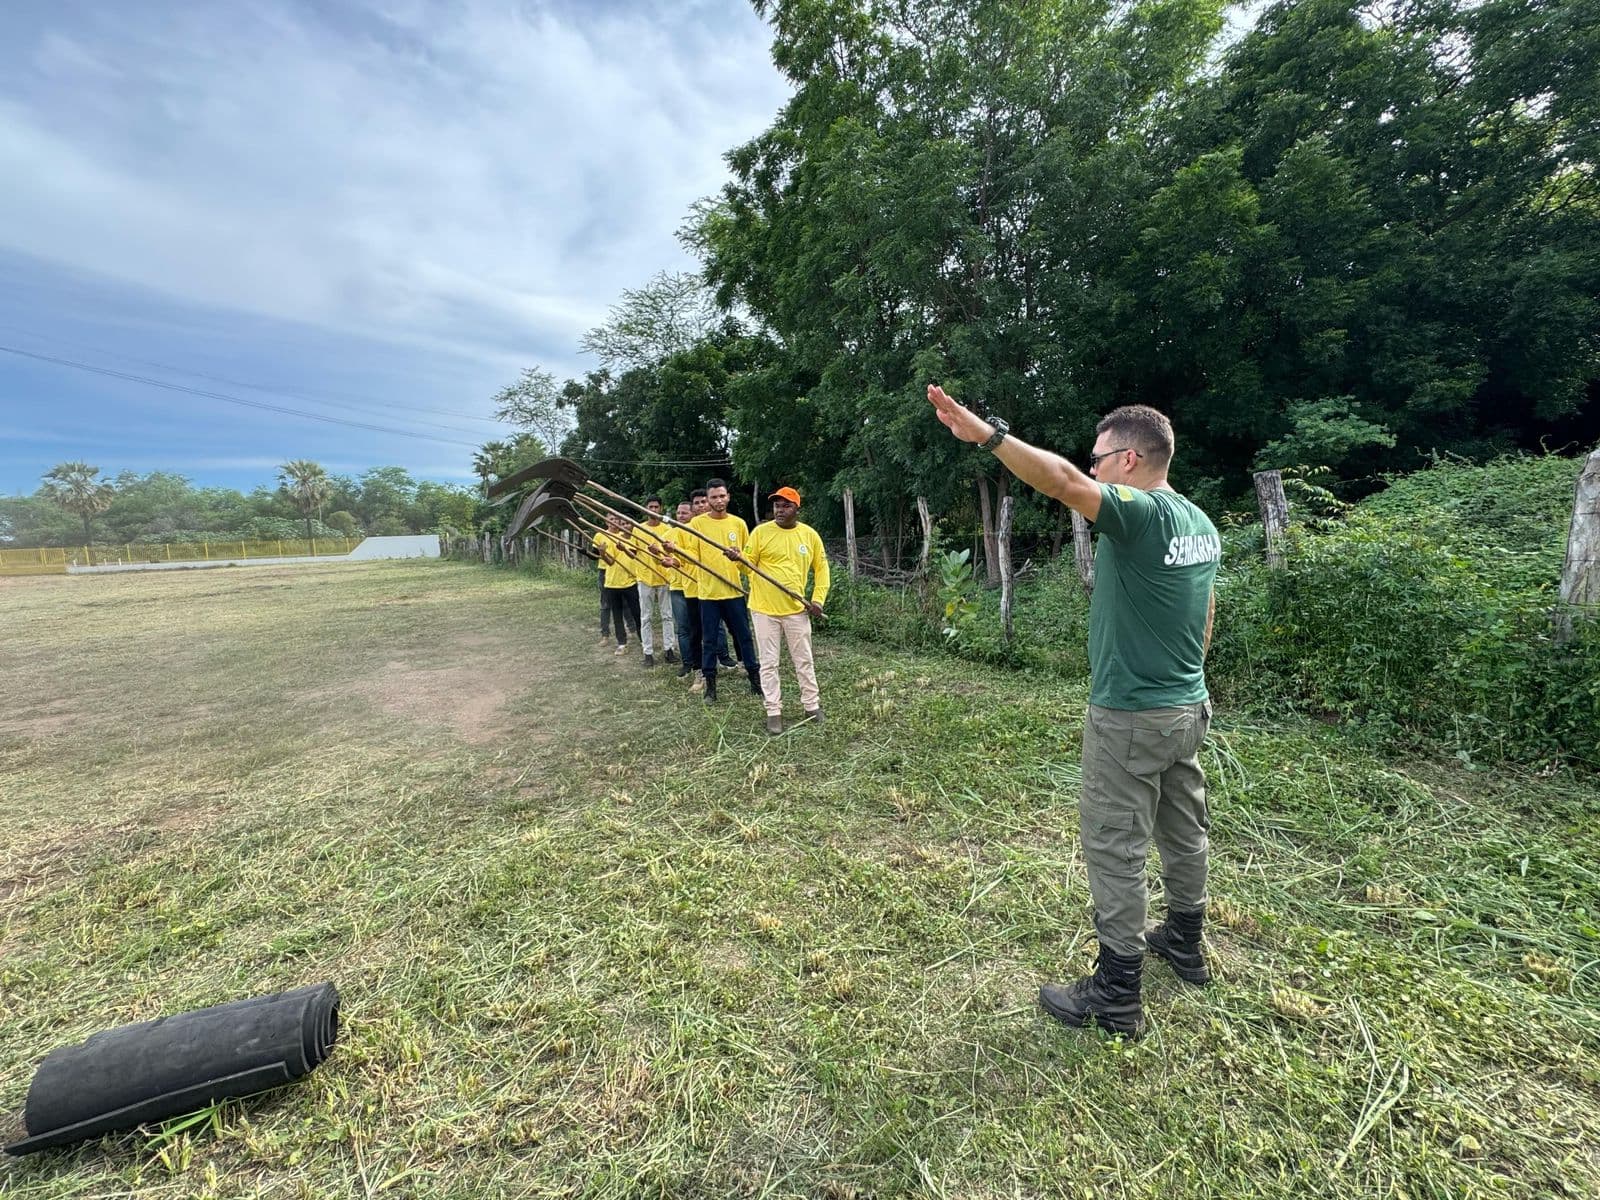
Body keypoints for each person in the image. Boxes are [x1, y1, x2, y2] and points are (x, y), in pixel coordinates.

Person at [928, 386, 1220, 1039]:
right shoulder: (1201, 524)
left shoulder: (1141, 515)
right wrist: (1188, 680)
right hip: (1186, 706)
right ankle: (1184, 940)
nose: (1091, 468)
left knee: (1114, 847)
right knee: (1184, 828)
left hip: (1132, 715)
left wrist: (989, 436)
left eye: (1099, 458)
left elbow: (1059, 481)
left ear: (1130, 461)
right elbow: (1204, 617)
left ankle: (1116, 995)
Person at [732, 486, 830, 735]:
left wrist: (817, 600)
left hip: (796, 610)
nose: (780, 509)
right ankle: (773, 711)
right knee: (768, 663)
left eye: (786, 505)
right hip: (764, 610)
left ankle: (811, 705)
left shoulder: (809, 536)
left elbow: (822, 570)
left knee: (804, 660)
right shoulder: (761, 533)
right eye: (777, 505)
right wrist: (739, 559)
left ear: (797, 508)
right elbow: (748, 568)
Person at [686, 478, 762, 704]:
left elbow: (748, 558)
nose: (718, 500)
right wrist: (675, 555)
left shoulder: (738, 524)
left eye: (722, 496)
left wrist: (740, 558)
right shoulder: (697, 525)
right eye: (713, 497)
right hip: (708, 594)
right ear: (707, 500)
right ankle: (710, 687)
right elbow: (691, 555)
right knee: (709, 641)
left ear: (728, 497)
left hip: (734, 592)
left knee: (745, 637)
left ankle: (755, 680)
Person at [628, 497, 677, 669]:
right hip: (644, 578)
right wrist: (624, 550)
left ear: (660, 508)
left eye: (656, 507)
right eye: (651, 507)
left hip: (664, 578)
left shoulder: (667, 529)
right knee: (646, 617)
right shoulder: (638, 528)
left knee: (667, 615)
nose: (654, 510)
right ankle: (647, 652)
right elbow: (632, 552)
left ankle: (669, 649)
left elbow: (672, 554)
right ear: (645, 509)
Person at [591, 514, 641, 656]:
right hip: (612, 583)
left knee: (637, 612)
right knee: (617, 614)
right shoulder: (610, 539)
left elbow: (634, 555)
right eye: (614, 521)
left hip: (630, 581)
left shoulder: (631, 538)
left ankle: (643, 640)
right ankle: (622, 643)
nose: (620, 525)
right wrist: (602, 553)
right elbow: (610, 562)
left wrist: (624, 548)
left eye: (622, 523)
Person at [663, 500, 698, 679]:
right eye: (678, 513)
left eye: (684, 513)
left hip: (696, 586)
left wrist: (676, 556)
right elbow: (666, 558)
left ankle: (710, 660)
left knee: (700, 627)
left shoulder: (697, 530)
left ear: (692, 513)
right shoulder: (668, 533)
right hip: (677, 586)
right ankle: (687, 663)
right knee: (683, 628)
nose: (681, 516)